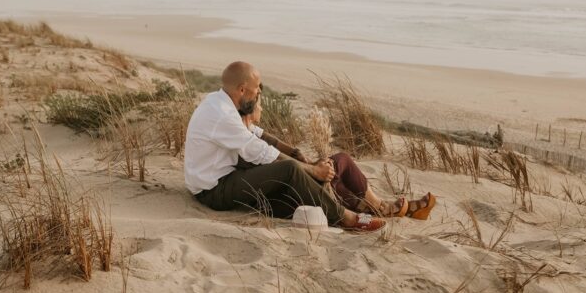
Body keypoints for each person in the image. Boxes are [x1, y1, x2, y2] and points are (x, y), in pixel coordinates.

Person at [184, 62, 435, 232]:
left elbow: (259, 134)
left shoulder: (224, 105)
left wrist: (296, 153)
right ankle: (348, 218)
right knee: (291, 171)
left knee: (329, 162)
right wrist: (310, 169)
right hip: (214, 189)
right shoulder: (220, 113)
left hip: (234, 177)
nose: (260, 93)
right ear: (242, 90)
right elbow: (258, 150)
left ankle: (374, 206)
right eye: (257, 90)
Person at [241, 96, 434, 219]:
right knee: (338, 165)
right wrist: (312, 168)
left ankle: (374, 205)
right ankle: (378, 206)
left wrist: (301, 156)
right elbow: (274, 158)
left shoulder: (248, 129)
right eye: (260, 104)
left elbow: (272, 141)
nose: (263, 109)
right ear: (249, 108)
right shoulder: (242, 136)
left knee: (336, 164)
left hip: (284, 181)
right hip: (279, 192)